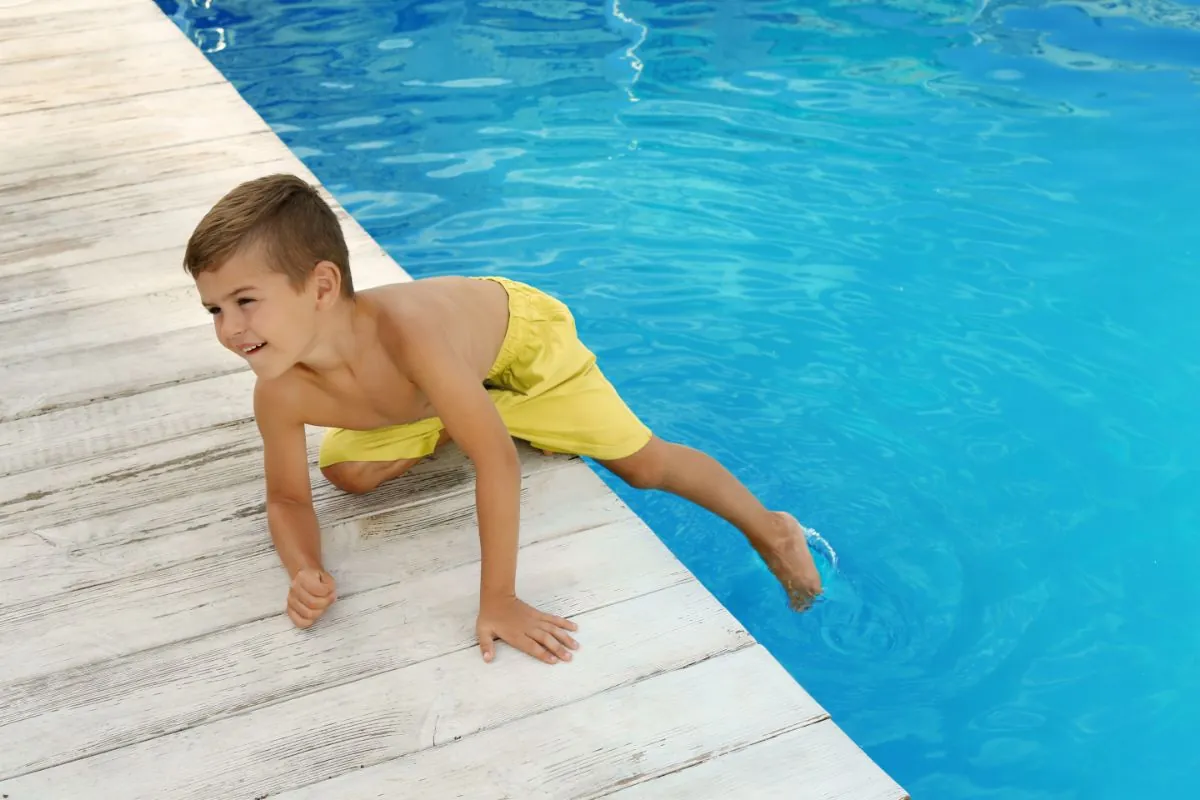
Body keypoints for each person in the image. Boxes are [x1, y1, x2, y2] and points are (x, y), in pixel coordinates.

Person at [185, 173, 822, 666]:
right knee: (347, 470)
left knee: (643, 465)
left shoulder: (410, 339)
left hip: (520, 346)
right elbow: (288, 497)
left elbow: (496, 461)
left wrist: (501, 599)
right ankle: (467, 410)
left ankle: (771, 529)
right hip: (436, 388)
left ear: (322, 288)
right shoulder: (280, 393)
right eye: (215, 309)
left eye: (246, 302)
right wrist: (303, 568)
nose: (231, 329)